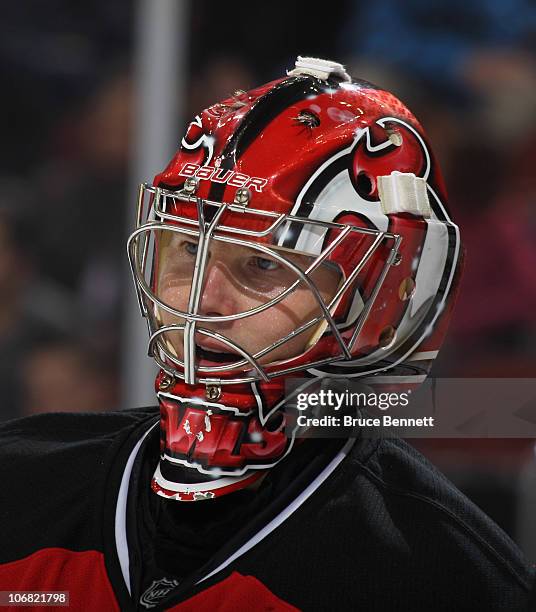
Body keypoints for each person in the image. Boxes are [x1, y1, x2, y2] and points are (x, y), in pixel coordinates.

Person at [0, 57, 533, 611]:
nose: (199, 303)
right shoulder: (18, 482)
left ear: (376, 302)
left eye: (263, 266)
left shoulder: (444, 582)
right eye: (188, 248)